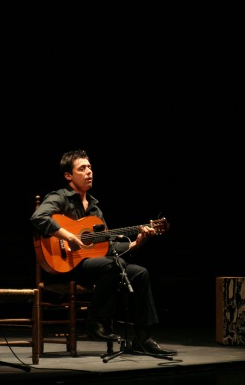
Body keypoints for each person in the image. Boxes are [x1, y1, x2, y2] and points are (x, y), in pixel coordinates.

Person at [30, 149, 177, 356]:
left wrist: (137, 242)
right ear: (68, 176)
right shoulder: (59, 197)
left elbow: (108, 248)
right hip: (65, 263)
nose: (89, 172)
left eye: (90, 167)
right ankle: (95, 321)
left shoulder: (95, 209)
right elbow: (38, 218)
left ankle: (142, 338)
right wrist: (69, 237)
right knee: (113, 266)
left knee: (140, 273)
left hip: (94, 265)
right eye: (82, 168)